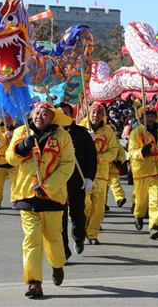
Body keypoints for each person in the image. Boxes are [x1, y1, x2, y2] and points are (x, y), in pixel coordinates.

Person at [6, 101, 75, 298]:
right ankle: (34, 282)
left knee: (53, 238)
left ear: (53, 116)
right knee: (31, 239)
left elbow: (68, 164)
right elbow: (10, 158)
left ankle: (57, 264)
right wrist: (21, 147)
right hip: (26, 194)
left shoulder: (63, 136)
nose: (39, 117)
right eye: (37, 112)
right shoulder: (22, 131)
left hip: (52, 196)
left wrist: (49, 186)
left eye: (44, 113)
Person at [58, 102, 97, 259]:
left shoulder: (81, 133)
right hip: (58, 181)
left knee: (77, 214)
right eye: (59, 113)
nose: (62, 116)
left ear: (71, 115)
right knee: (59, 217)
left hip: (77, 179)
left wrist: (89, 178)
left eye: (65, 113)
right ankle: (63, 251)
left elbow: (91, 158)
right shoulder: (53, 133)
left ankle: (79, 236)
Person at [81, 103, 119, 245]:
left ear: (103, 116)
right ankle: (81, 229)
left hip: (101, 174)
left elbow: (113, 151)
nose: (95, 115)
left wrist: (100, 158)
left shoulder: (108, 132)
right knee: (84, 204)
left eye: (98, 113)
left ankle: (92, 234)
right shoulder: (81, 128)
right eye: (93, 112)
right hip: (84, 174)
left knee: (98, 207)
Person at [128, 105, 158, 239]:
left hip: (157, 170)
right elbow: (132, 152)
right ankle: (138, 215)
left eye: (152, 116)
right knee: (141, 202)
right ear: (141, 117)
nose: (150, 118)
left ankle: (154, 226)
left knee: (156, 200)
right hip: (142, 171)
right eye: (147, 116)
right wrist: (141, 152)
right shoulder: (136, 133)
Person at [0, 114, 17, 210]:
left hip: (13, 161)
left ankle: (15, 201)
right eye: (6, 118)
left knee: (15, 182)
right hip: (1, 160)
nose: (8, 120)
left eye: (10, 118)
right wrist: (3, 137)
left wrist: (11, 138)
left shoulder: (16, 130)